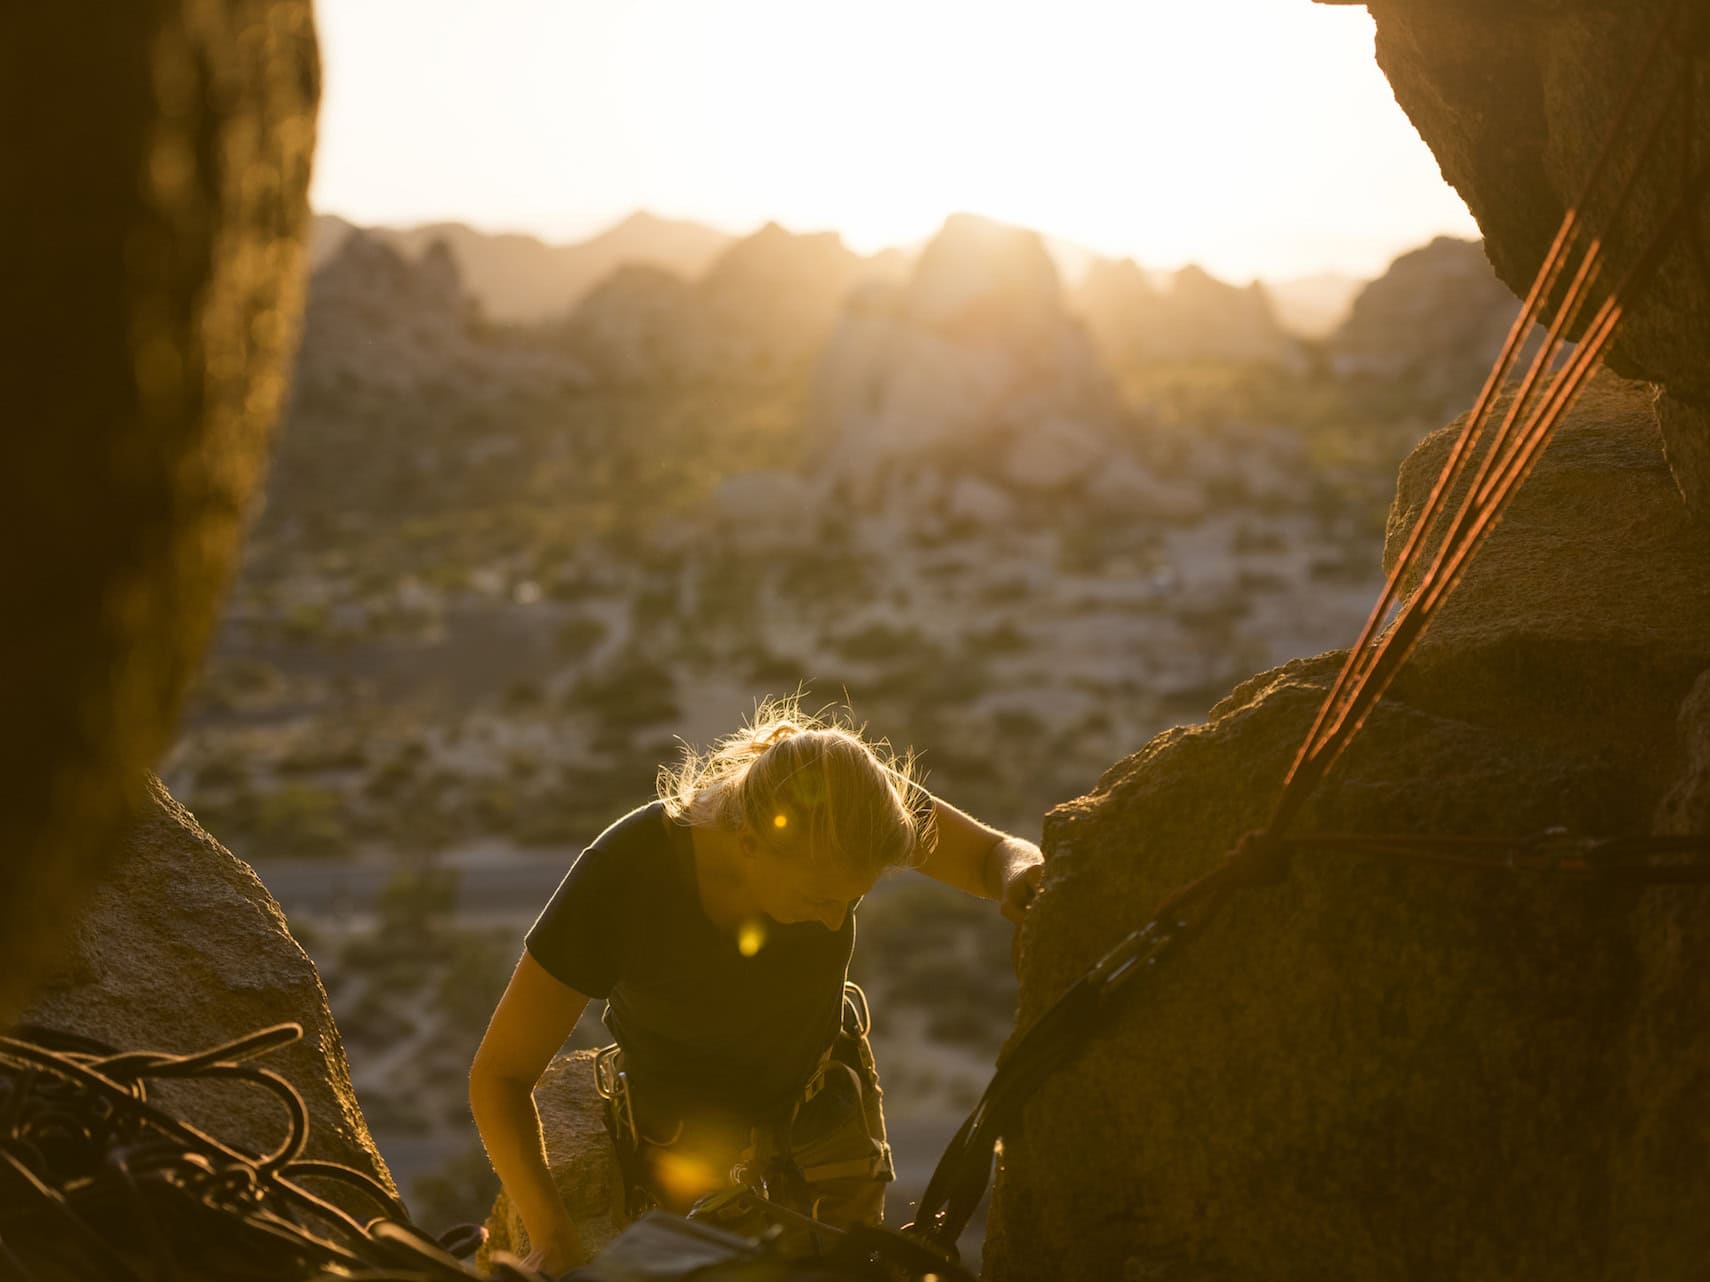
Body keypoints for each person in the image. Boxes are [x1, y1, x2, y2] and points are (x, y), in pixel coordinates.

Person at [468, 698, 1045, 1276]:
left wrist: (1021, 875)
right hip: (686, 1151)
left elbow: (994, 854)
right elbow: (500, 1076)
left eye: (852, 901)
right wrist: (551, 1234)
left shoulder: (846, 802)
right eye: (819, 899)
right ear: (749, 844)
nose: (831, 921)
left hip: (827, 1126)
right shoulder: (624, 876)